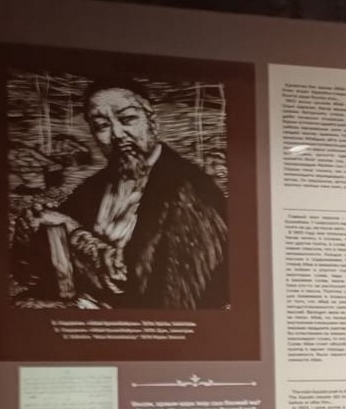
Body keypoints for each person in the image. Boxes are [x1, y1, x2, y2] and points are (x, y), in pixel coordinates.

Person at [29, 79, 229, 310]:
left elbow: (175, 296)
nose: (117, 134)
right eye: (101, 126)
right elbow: (45, 259)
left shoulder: (191, 189)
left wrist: (75, 234)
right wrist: (35, 227)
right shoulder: (93, 186)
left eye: (127, 119)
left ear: (151, 121)